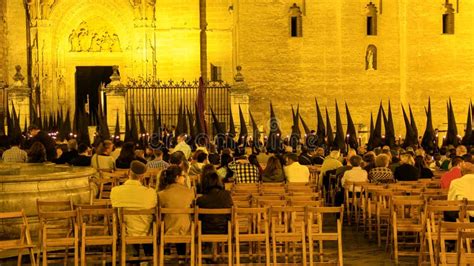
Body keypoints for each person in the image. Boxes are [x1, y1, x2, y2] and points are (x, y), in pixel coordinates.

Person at [110, 161, 157, 256]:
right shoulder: (151, 192)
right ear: (142, 176)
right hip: (147, 232)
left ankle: (133, 257)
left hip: (126, 231)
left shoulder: (115, 191)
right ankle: (149, 257)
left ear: (128, 173)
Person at [158, 165, 195, 259]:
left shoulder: (161, 194)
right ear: (177, 177)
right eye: (183, 176)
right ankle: (182, 256)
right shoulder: (190, 192)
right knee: (182, 219)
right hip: (187, 229)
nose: (184, 178)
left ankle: (165, 251)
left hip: (167, 228)